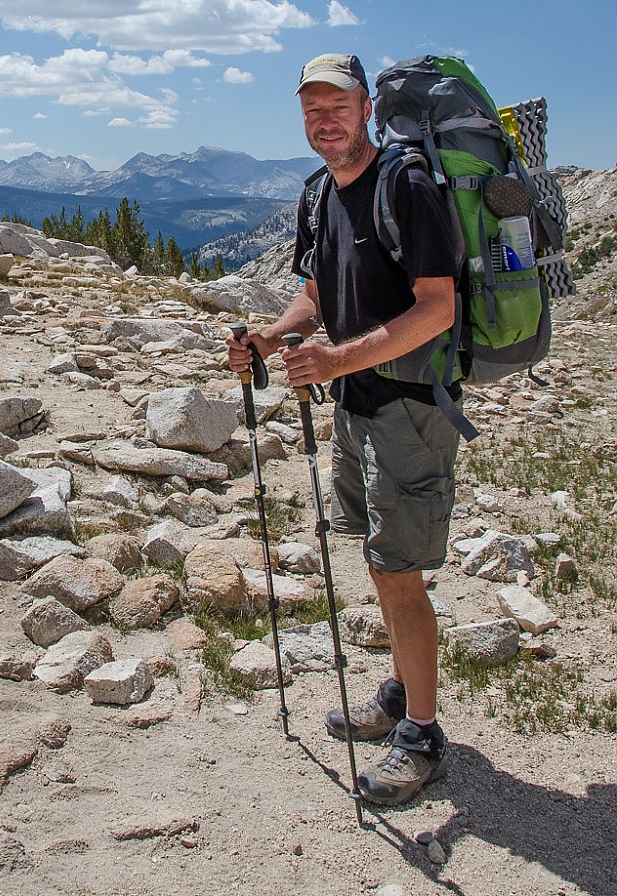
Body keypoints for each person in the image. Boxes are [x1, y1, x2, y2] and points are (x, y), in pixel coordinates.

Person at [227, 53, 462, 806]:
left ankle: (421, 735)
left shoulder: (409, 185)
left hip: (410, 407)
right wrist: (270, 338)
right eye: (311, 109)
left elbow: (436, 308)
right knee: (379, 557)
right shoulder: (320, 194)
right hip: (357, 403)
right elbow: (317, 291)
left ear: (366, 106)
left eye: (337, 105)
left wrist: (336, 361)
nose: (324, 120)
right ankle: (399, 695)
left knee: (398, 571)